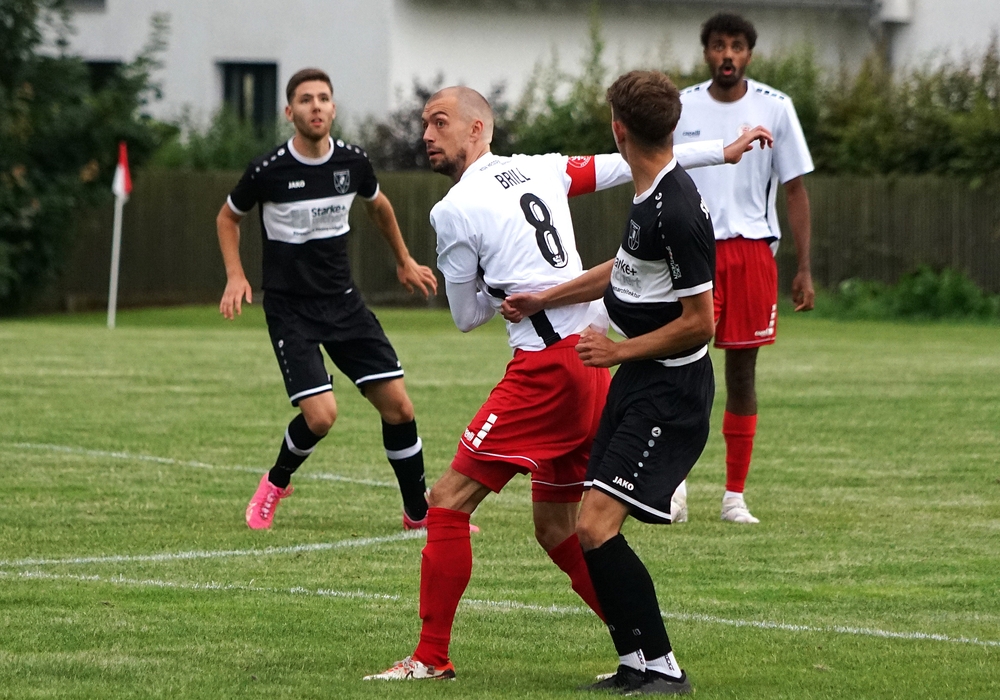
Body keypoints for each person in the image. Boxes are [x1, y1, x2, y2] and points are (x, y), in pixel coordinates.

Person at [364, 85, 770, 682]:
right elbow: (630, 161)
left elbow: (466, 317)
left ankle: (430, 659)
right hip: (588, 361)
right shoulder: (542, 168)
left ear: (477, 128)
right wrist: (723, 151)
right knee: (559, 527)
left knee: (446, 501)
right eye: (425, 123)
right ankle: (642, 653)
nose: (427, 134)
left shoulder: (451, 210)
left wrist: (494, 286)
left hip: (547, 370)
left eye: (440, 122)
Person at [503, 69, 715, 695]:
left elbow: (700, 323)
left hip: (669, 390)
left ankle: (664, 668)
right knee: (587, 527)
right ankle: (634, 663)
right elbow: (621, 271)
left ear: (618, 130)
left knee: (595, 526)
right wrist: (545, 297)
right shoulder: (650, 193)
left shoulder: (677, 209)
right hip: (638, 380)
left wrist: (619, 350)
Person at [216, 67, 438, 531]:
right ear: (289, 111)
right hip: (290, 309)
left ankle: (418, 514)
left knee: (400, 408)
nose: (315, 106)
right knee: (321, 417)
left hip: (343, 304)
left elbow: (379, 206)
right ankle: (275, 483)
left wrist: (403, 260)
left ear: (333, 108)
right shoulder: (268, 170)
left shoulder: (353, 163)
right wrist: (236, 275)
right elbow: (227, 218)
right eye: (305, 99)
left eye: (322, 98)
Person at [672, 12, 815, 525]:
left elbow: (795, 189)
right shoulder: (681, 106)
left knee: (742, 373)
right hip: (694, 251)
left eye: (736, 46)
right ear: (706, 52)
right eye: (718, 45)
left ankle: (734, 497)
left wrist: (804, 267)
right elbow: (660, 176)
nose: (727, 54)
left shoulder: (776, 107)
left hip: (752, 251)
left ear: (749, 53)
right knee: (682, 367)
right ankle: (675, 490)